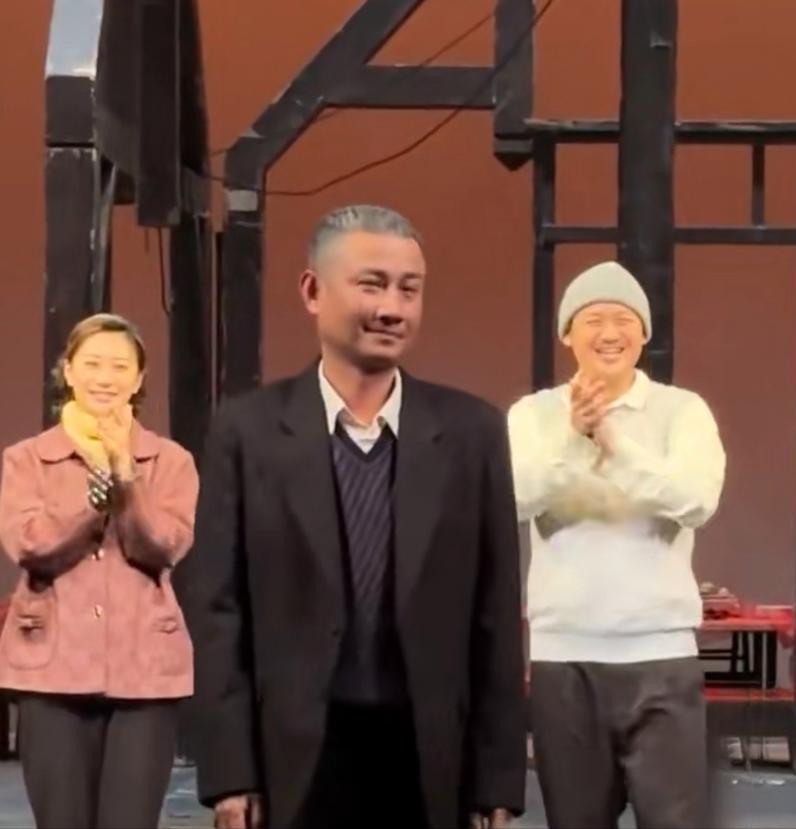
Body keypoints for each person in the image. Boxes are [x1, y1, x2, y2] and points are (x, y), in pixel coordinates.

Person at [190, 205, 527, 829]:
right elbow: (218, 611)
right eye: (372, 285)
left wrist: (496, 778)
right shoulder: (248, 431)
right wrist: (230, 773)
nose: (392, 308)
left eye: (409, 289)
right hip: (293, 760)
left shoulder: (472, 432)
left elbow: (497, 614)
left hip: (430, 760)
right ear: (312, 291)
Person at [508, 261, 726, 829]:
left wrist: (614, 444)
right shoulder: (533, 415)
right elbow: (513, 497)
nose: (610, 333)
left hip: (661, 655)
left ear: (644, 333)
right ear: (567, 334)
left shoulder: (682, 411)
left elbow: (696, 500)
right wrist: (573, 438)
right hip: (564, 657)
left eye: (624, 320)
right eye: (594, 320)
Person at [0, 313, 199, 829]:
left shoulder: (170, 462)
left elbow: (162, 546)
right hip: (51, 668)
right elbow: (30, 544)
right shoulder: (26, 460)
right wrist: (93, 503)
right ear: (68, 371)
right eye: (92, 364)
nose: (105, 378)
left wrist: (127, 479)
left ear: (138, 379)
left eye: (119, 366)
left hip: (144, 672)